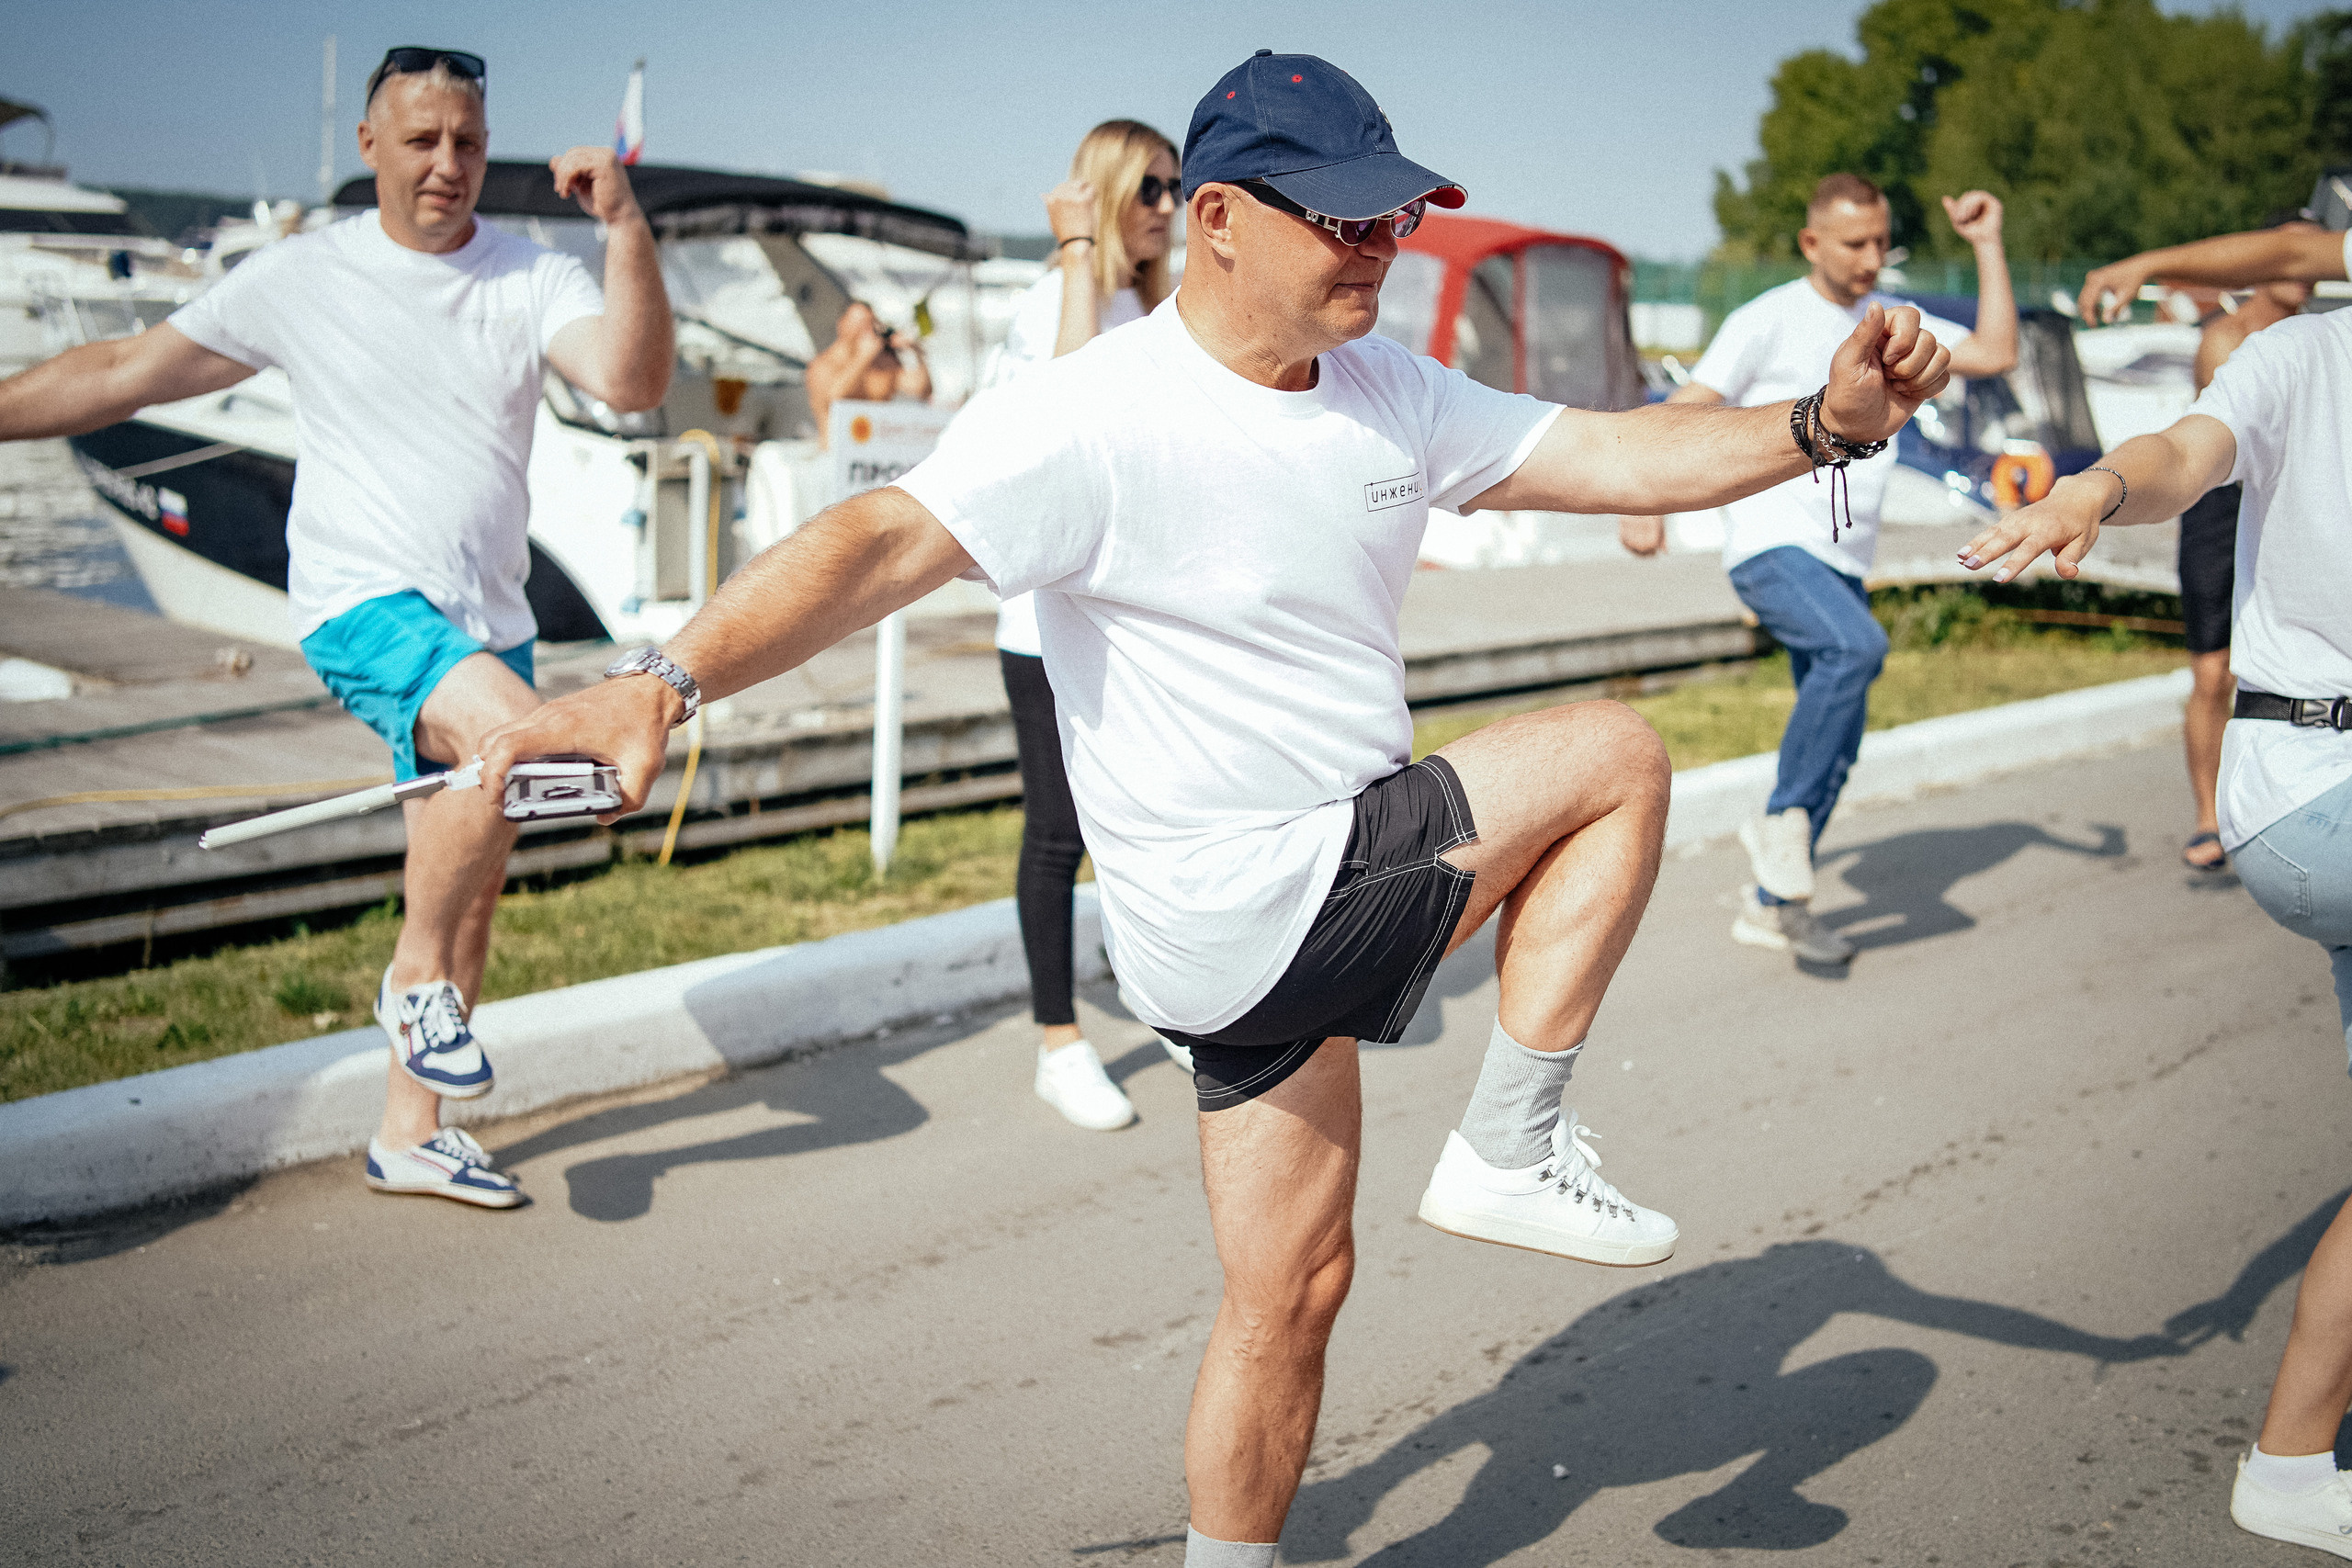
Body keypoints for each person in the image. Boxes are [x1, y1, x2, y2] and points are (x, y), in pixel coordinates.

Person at [480, 51, 1947, 1563]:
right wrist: (660, 682)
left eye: (1398, 219)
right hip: (1265, 891)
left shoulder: (1390, 386)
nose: (1383, 245)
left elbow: (1613, 447)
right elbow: (876, 539)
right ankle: (1513, 1140)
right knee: (1616, 756)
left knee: (1289, 1292)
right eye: (1348, 222)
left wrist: (1819, 428)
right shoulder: (1091, 416)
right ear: (1222, 218)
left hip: (1244, 924)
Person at [0, 48, 673, 1209]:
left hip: (489, 617)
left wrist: (624, 230)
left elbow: (630, 379)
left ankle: (408, 1135)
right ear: (370, 147)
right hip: (363, 603)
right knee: (519, 750)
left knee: (467, 879)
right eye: (421, 142)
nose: (448, 166)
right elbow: (122, 369)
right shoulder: (302, 275)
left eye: (467, 141)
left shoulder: (528, 274)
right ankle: (409, 979)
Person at [1958, 219, 2352, 1559]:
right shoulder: (2305, 354)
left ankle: (2293, 1463)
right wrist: (2093, 489)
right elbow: (2186, 453)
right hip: (2312, 780)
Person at [1669, 173, 2017, 964]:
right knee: (1853, 649)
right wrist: (1639, 501)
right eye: (1853, 243)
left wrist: (1987, 241)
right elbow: (1691, 401)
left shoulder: (1896, 322)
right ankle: (1780, 819)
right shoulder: (1765, 320)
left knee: (1841, 734)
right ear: (1811, 242)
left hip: (1844, 558)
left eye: (1879, 242)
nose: (1869, 258)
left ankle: (1773, 903)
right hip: (1769, 542)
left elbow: (1996, 352)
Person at [989, 118, 1182, 1132]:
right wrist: (1072, 253)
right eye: (1148, 187)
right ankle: (1057, 1043)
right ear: (1105, 192)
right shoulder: (1053, 301)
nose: (1168, 207)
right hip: (1043, 617)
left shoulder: (1157, 311)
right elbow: (1058, 418)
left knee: (1146, 821)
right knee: (1059, 832)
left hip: (1136, 616)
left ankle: (1160, 1000)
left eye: (1176, 188)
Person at [2077, 211, 2323, 872]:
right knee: (2213, 673)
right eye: (2292, 253)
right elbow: (2215, 448)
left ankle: (2285, 809)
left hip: (2290, 509)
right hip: (2222, 509)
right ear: (2261, 261)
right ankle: (2209, 815)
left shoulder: (2327, 340)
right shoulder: (2228, 338)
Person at [807, 300, 930, 445]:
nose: (865, 330)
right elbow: (835, 398)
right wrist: (863, 358)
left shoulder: (882, 365)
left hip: (873, 456)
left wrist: (915, 353)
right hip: (835, 453)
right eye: (859, 323)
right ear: (842, 324)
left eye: (870, 323)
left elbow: (922, 390)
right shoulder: (823, 364)